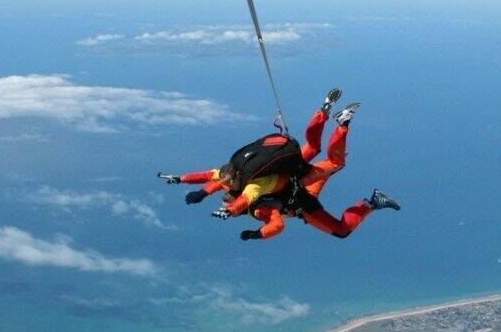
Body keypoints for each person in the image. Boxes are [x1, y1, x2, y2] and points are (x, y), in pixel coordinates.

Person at [159, 89, 400, 240]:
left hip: (301, 192)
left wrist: (255, 232)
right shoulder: (236, 179)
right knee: (313, 149)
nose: (227, 197)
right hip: (295, 175)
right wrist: (183, 181)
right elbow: (212, 180)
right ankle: (323, 112)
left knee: (341, 227)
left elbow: (277, 224)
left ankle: (343, 126)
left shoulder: (254, 199)